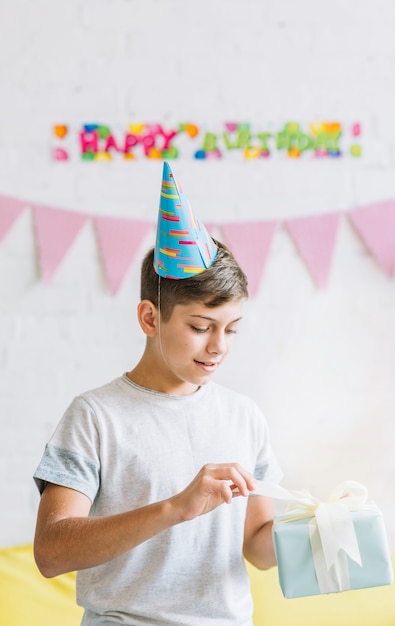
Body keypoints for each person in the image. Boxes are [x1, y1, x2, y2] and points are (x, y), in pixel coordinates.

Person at [33, 162, 282, 626]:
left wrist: (314, 533)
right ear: (150, 318)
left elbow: (258, 547)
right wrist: (175, 508)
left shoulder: (244, 416)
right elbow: (50, 552)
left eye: (231, 330)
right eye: (200, 327)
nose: (218, 346)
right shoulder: (95, 416)